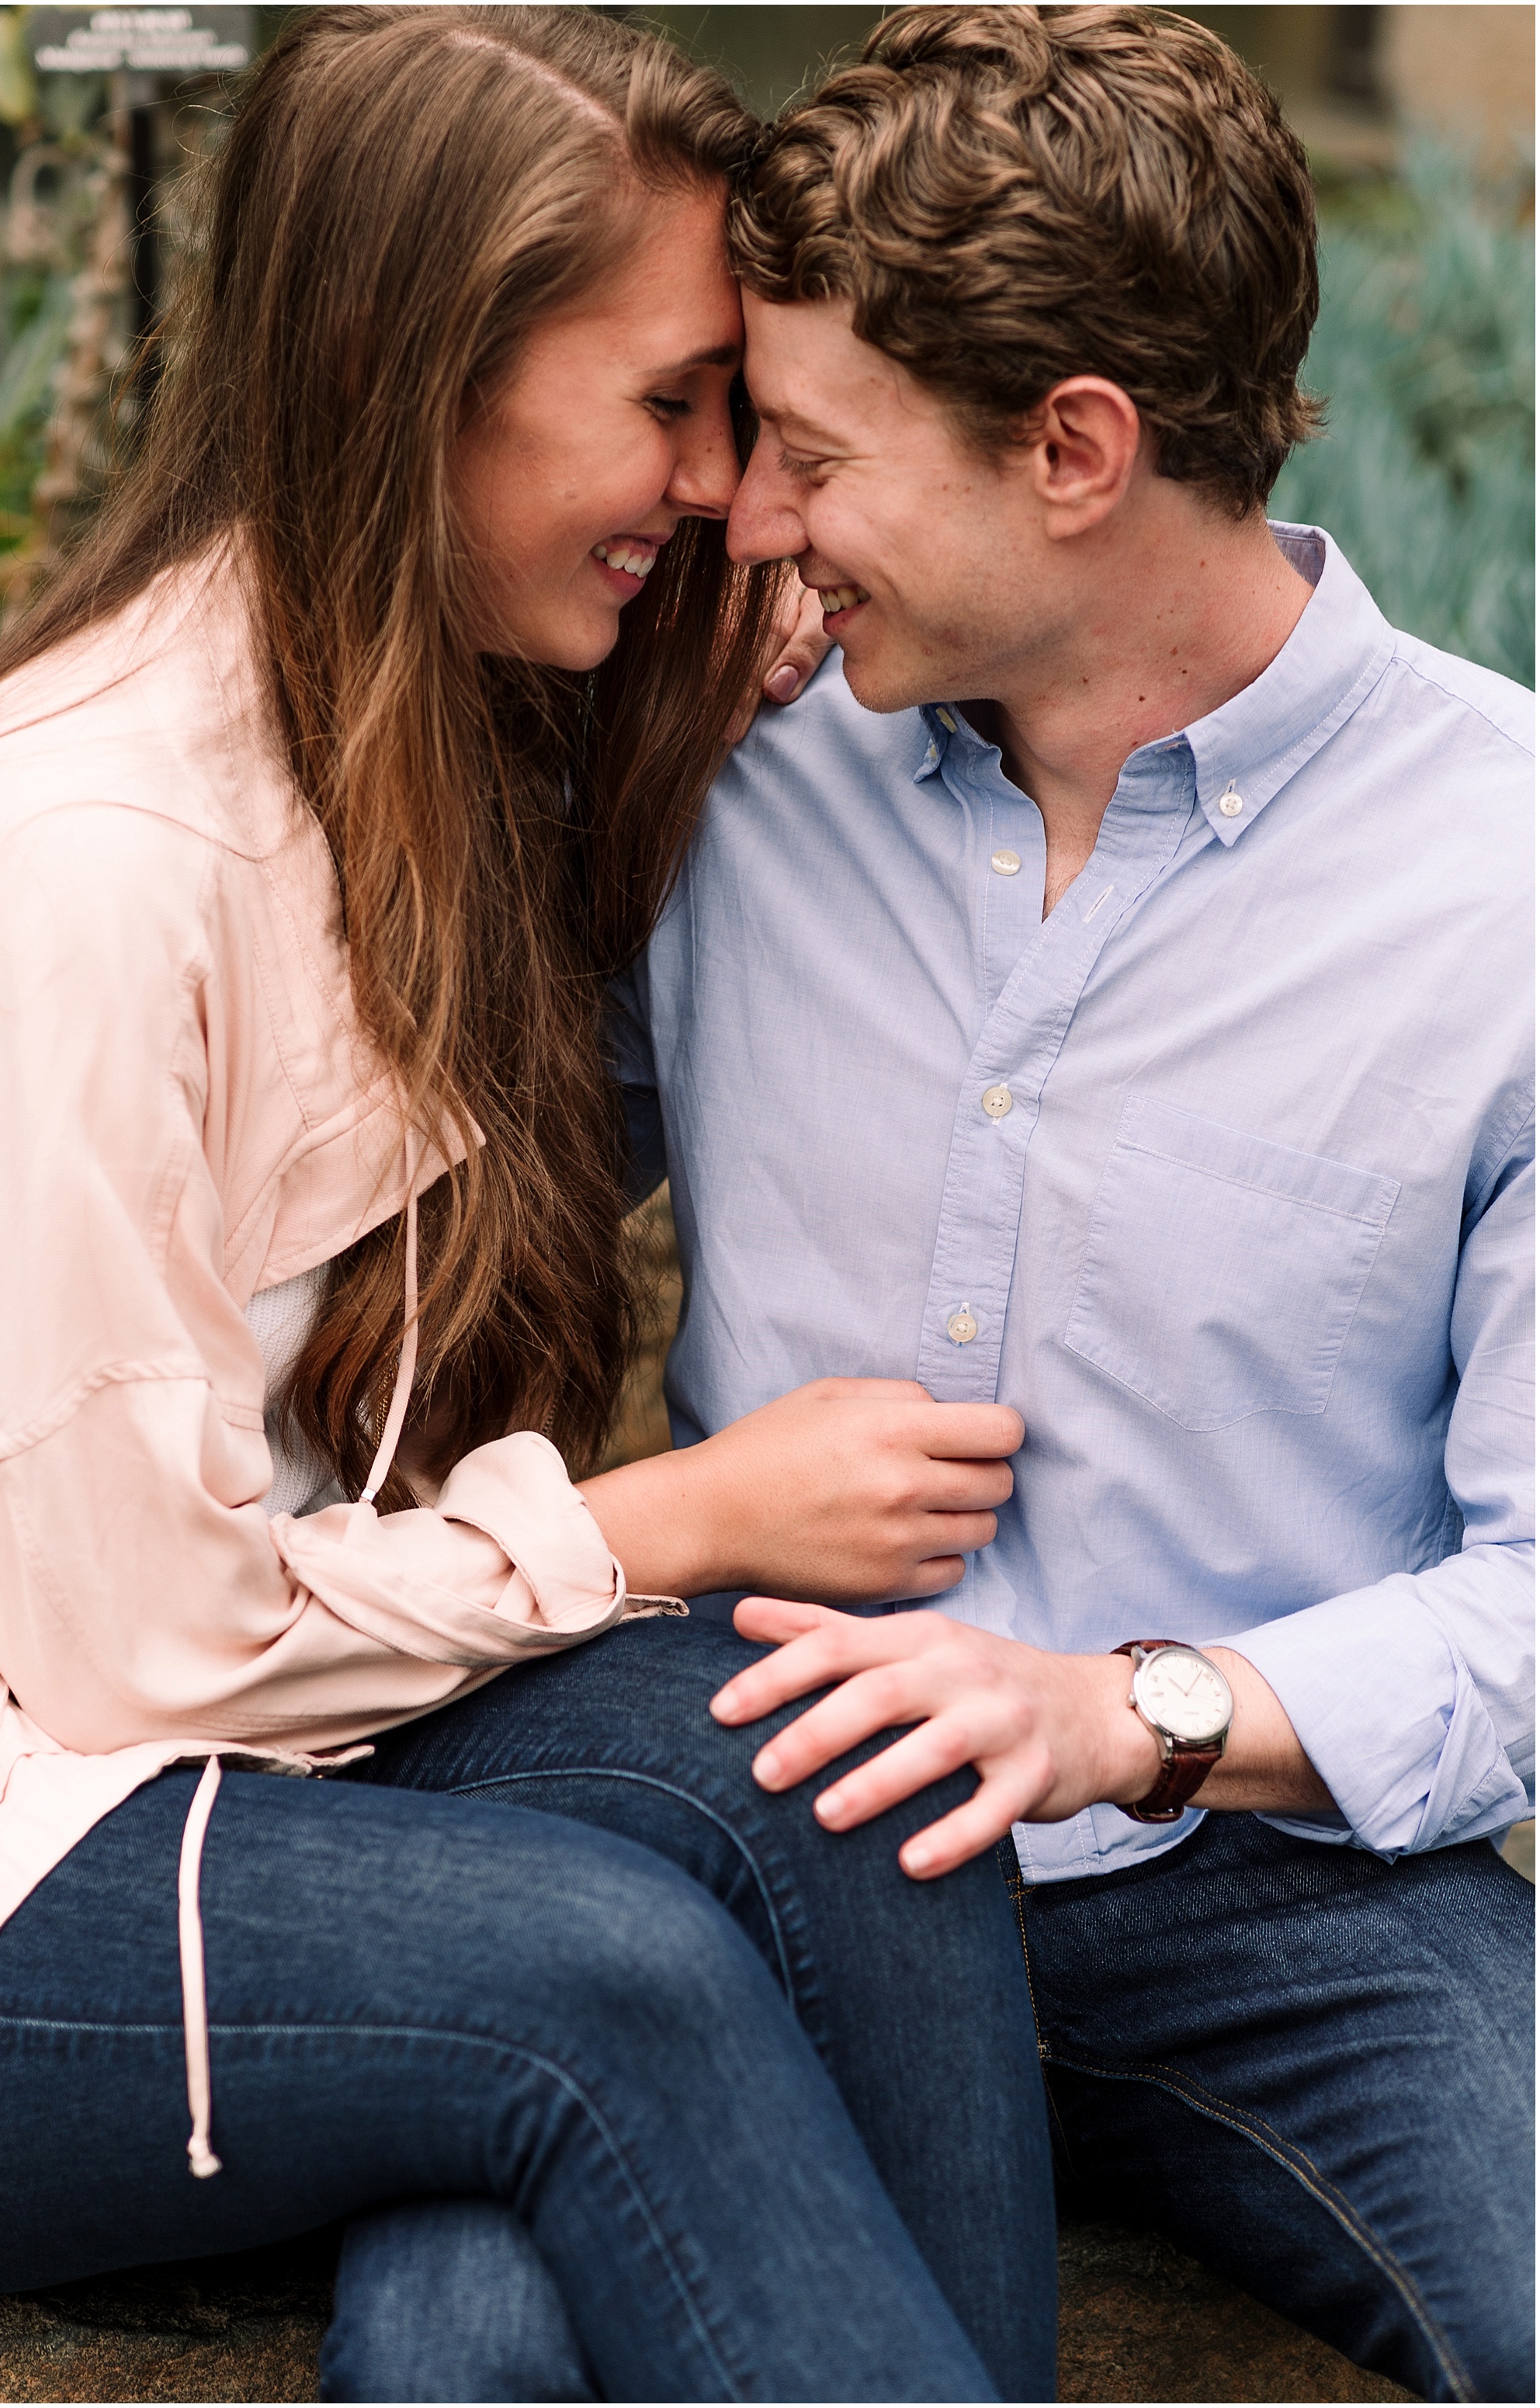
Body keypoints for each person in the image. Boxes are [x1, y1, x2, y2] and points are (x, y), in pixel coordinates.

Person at [0, 10, 1056, 2399]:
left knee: (860, 1772)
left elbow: (474, 1234)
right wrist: (667, 1522)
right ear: (396, 359)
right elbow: (142, 1649)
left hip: (282, 1755)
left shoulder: (435, 726)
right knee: (599, 1986)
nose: (727, 486)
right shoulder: (84, 853)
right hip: (7, 1840)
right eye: (669, 405)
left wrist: (682, 745)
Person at [614, 8, 1535, 2402]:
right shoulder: (725, 755)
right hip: (752, 1837)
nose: (753, 517)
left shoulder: (1506, 886)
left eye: (811, 454)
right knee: (464, 2332)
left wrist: (1120, 1714)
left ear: (1073, 451)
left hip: (1280, 1889)